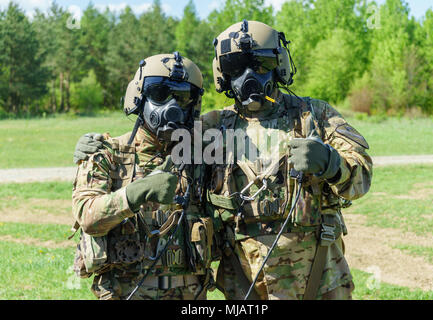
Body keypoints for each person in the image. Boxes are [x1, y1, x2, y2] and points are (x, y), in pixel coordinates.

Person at [74, 21, 373, 300]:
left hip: (320, 279)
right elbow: (152, 144)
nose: (249, 76)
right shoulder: (212, 127)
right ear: (223, 74)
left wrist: (331, 163)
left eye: (261, 65)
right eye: (236, 67)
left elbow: (361, 180)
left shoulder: (315, 116)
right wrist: (92, 146)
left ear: (279, 66)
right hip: (244, 284)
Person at [71, 52, 215, 300]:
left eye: (181, 98)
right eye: (159, 94)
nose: (171, 107)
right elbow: (86, 215)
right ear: (139, 97)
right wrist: (135, 193)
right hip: (125, 292)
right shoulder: (108, 153)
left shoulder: (200, 158)